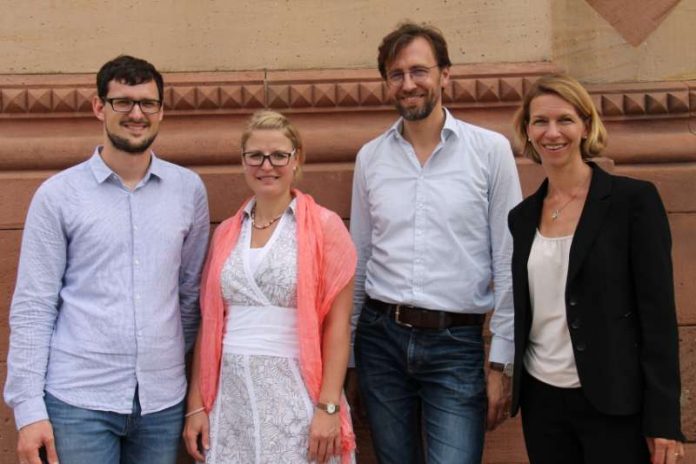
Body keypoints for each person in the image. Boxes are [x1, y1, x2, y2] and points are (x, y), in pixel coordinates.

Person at [4, 55, 210, 464]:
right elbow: (33, 305)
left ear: (161, 111)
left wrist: (164, 355)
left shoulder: (188, 191)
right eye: (123, 102)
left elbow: (191, 295)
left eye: (148, 103)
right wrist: (28, 410)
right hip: (78, 402)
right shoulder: (59, 195)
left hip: (161, 403)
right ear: (99, 107)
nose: (137, 113)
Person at [349, 22, 522, 463]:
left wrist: (501, 360)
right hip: (380, 339)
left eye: (419, 71)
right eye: (396, 74)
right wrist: (348, 356)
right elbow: (360, 256)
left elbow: (508, 258)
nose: (409, 84)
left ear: (446, 74)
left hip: (456, 344)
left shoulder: (491, 151)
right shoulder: (370, 157)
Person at [508, 73, 685, 464]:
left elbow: (657, 318)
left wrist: (664, 420)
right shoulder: (521, 218)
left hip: (614, 402)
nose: (552, 132)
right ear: (528, 131)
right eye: (540, 121)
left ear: (586, 125)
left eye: (565, 120)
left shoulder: (632, 202)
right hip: (542, 402)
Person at [183, 110, 357, 464]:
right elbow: (211, 323)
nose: (267, 165)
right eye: (256, 156)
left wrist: (327, 406)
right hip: (231, 400)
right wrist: (196, 405)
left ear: (297, 159)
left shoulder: (325, 227)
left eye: (279, 155)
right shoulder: (227, 233)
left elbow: (338, 327)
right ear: (243, 161)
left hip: (297, 394)